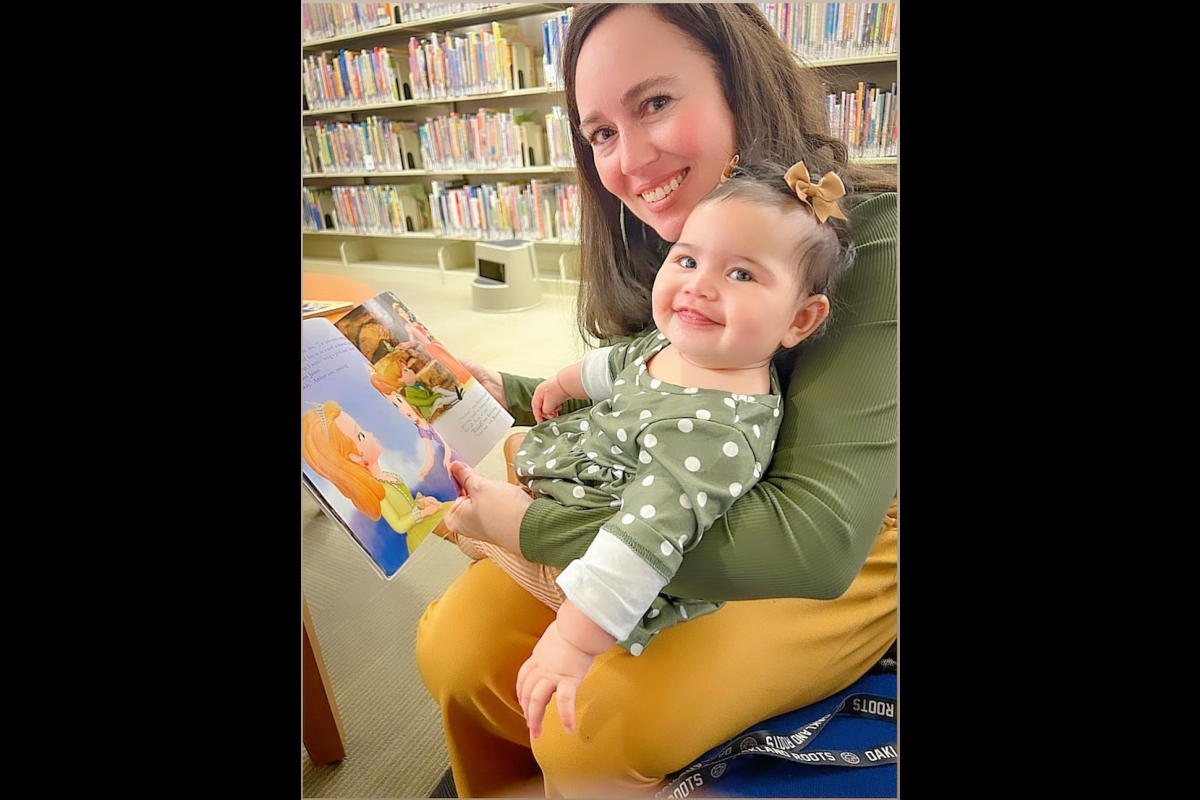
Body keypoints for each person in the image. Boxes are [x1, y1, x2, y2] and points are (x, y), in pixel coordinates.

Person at [416, 4, 898, 796]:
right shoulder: (669, 238)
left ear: (739, 87)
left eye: (655, 103)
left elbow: (813, 542)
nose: (629, 160)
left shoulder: (866, 241)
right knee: (458, 651)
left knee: (595, 727)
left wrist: (533, 526)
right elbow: (640, 394)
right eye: (600, 132)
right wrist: (493, 388)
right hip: (654, 506)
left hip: (821, 544)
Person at [446, 158, 853, 738]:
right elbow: (621, 362)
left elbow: (643, 542)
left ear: (801, 320)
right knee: (507, 456)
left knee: (471, 520)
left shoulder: (716, 432)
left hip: (611, 554)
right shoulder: (683, 340)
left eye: (741, 275)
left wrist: (571, 642)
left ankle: (482, 530)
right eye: (687, 259)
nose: (698, 284)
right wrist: (558, 383)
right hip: (590, 467)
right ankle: (482, 517)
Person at [301, 400, 451, 554]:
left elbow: (406, 503)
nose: (370, 434)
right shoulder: (377, 490)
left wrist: (421, 503)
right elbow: (399, 525)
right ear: (355, 457)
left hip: (429, 521)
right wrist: (422, 513)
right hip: (420, 533)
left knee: (453, 512)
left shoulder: (385, 475)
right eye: (360, 436)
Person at [368, 365, 456, 482]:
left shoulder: (422, 422)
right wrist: (427, 467)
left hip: (452, 459)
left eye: (399, 401)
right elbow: (430, 453)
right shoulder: (421, 428)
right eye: (395, 406)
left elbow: (441, 444)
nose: (403, 410)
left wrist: (447, 456)